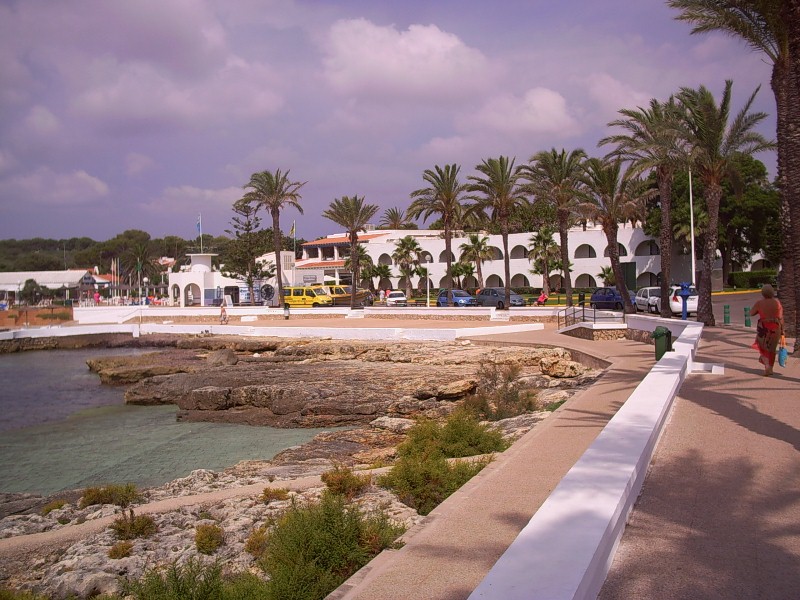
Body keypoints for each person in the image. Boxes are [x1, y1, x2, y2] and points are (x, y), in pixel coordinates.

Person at [750, 284, 783, 376]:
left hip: (763, 327)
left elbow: (751, 313)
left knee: (763, 347)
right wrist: (782, 330)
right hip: (775, 327)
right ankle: (770, 368)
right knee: (772, 349)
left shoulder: (759, 303)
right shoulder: (777, 303)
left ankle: (767, 365)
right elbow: (780, 317)